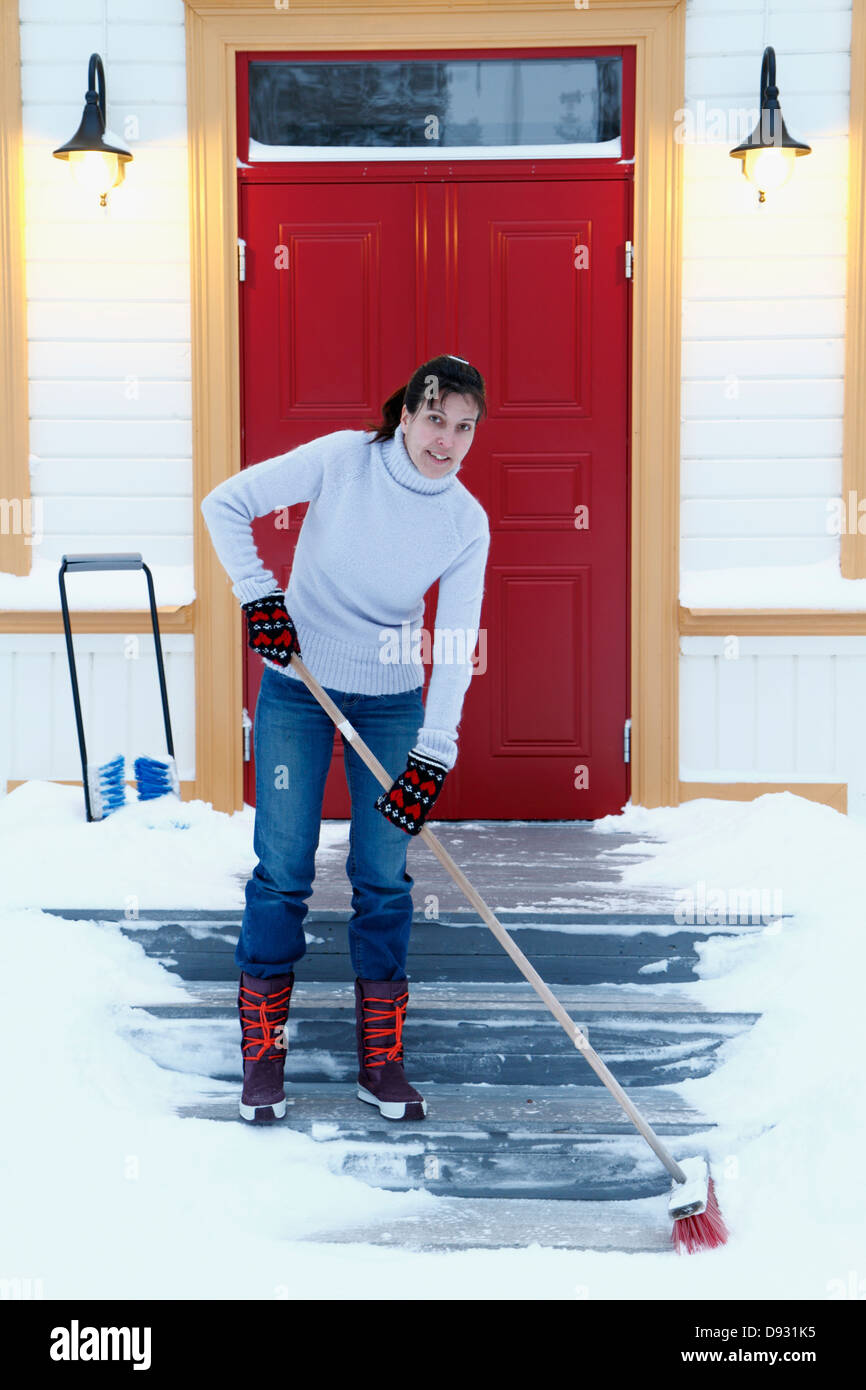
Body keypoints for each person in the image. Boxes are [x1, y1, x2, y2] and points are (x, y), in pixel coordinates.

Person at [200, 354, 490, 1123]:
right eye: (436, 419)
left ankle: (381, 1059)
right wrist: (260, 595)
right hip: (298, 685)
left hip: (392, 700)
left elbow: (456, 640)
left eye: (464, 427)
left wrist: (435, 750)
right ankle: (262, 1056)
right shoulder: (341, 462)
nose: (447, 441)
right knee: (284, 866)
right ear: (407, 414)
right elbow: (224, 503)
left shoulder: (465, 521)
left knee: (384, 875)